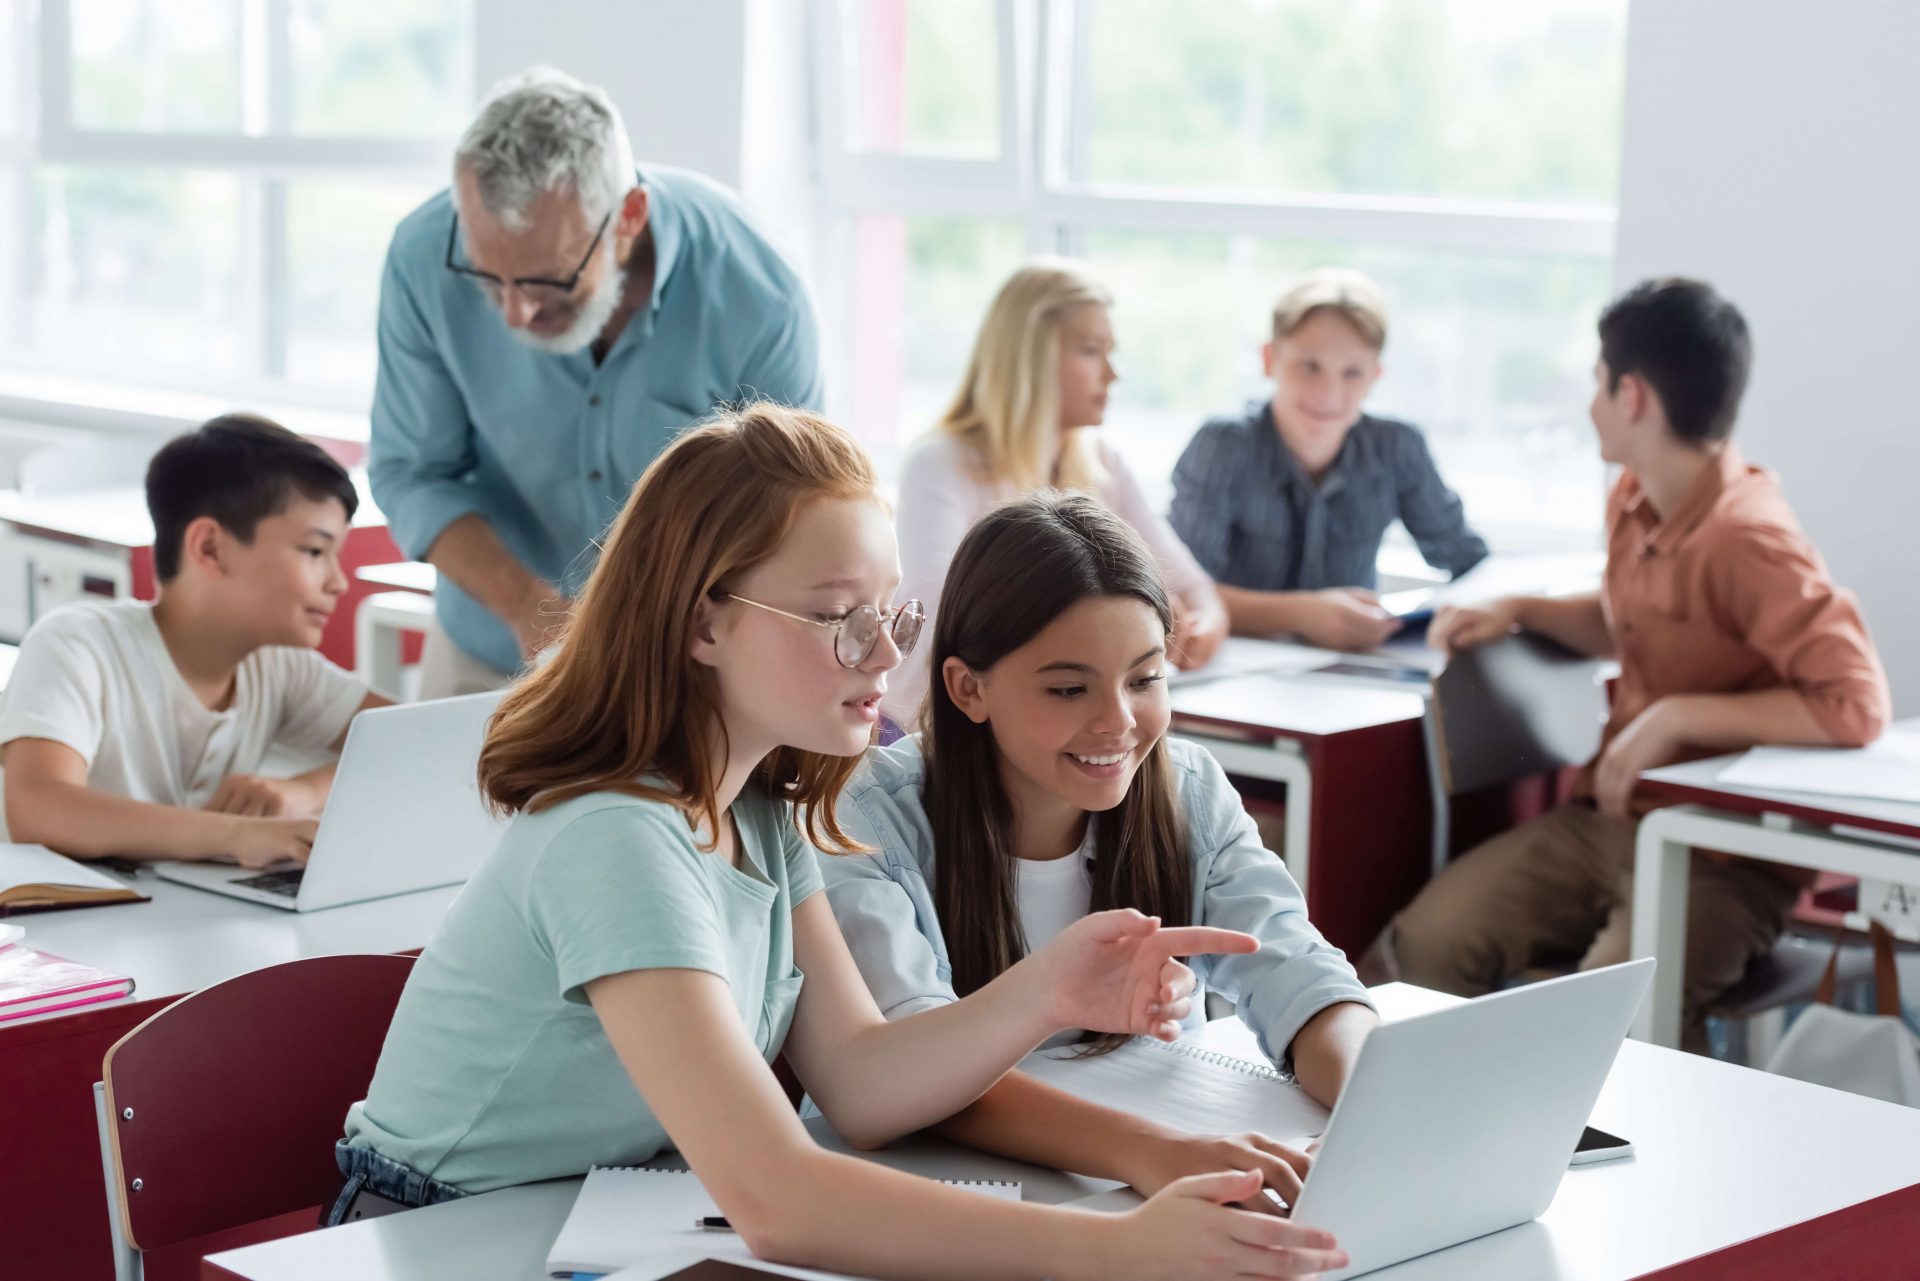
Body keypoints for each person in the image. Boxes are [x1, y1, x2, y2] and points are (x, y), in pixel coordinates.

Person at [335, 404, 1349, 1279]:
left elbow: (863, 1085)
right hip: (435, 1238)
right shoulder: (617, 838)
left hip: (594, 1219)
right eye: (835, 619)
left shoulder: (762, 813)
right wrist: (1113, 1253)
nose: (884, 655)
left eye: (889, 613)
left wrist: (1048, 989)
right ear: (702, 627)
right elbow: (780, 1197)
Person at [1368, 279, 1890, 1054]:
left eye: (1596, 383)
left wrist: (1677, 717)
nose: (1590, 406)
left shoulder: (1751, 538)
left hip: (1722, 856)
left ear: (1632, 395)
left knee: (1610, 1011)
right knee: (1424, 947)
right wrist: (1521, 606)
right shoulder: (1635, 497)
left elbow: (1855, 702)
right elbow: (1629, 623)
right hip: (1609, 821)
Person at [827, 492, 1376, 1112]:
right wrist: (1152, 1154)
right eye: (1068, 689)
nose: (1118, 723)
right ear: (967, 688)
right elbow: (908, 1073)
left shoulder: (1188, 790)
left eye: (1145, 680)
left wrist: (1372, 1098)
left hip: (1148, 1170)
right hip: (950, 1186)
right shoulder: (869, 818)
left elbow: (1298, 972)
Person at [370, 66, 821, 697]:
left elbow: (792, 512)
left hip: (682, 668)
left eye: (545, 281)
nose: (512, 313)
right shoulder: (422, 258)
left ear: (628, 218)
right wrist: (529, 608)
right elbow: (413, 473)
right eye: (485, 277)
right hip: (489, 649)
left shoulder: (760, 293)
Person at [0, 415, 388, 867]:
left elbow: (419, 739)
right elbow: (39, 809)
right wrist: (238, 834)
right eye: (315, 552)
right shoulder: (77, 644)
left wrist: (304, 791)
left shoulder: (278, 664)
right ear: (209, 548)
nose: (339, 582)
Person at [887, 260, 1229, 727]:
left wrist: (1203, 627)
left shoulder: (1105, 465)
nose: (1113, 373)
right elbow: (950, 613)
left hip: (1060, 721)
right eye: (1092, 351)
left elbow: (1192, 586)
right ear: (1030, 358)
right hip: (935, 727)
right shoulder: (941, 464)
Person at [1171, 268, 1487, 651]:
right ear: (1270, 359)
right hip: (1236, 667)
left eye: (1352, 373)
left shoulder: (1397, 447)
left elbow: (1468, 559)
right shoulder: (1224, 445)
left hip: (1354, 673)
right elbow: (1179, 591)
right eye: (1310, 366)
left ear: (1374, 377)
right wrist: (1302, 613)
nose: (1328, 392)